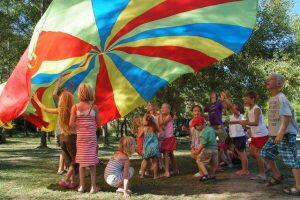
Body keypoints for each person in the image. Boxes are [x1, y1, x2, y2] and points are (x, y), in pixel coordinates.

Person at [260, 73, 300, 196]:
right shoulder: (272, 99)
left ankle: (299, 187)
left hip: (285, 135)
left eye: (271, 79)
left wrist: (281, 133)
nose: (268, 80)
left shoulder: (281, 98)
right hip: (274, 135)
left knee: (291, 160)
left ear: (279, 84)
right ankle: (277, 175)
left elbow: (287, 116)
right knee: (265, 153)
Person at [33, 91, 78, 189]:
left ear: (61, 100)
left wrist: (36, 100)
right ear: (71, 100)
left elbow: (45, 108)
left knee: (69, 160)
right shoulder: (73, 110)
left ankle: (72, 182)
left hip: (61, 137)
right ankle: (65, 179)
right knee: (75, 160)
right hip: (71, 137)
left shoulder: (59, 110)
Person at [69, 83, 100, 193]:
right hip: (91, 137)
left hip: (81, 138)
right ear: (90, 93)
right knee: (92, 163)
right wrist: (90, 125)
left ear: (80, 93)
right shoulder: (94, 107)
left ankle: (82, 186)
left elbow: (71, 123)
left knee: (81, 162)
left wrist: (80, 126)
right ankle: (93, 187)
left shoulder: (75, 107)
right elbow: (99, 123)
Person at [241, 91, 269, 181]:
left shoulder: (257, 109)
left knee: (257, 154)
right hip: (255, 135)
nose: (244, 100)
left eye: (246, 99)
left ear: (252, 99)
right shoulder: (248, 110)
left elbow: (256, 123)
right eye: (243, 99)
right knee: (253, 153)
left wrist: (245, 122)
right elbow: (249, 123)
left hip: (262, 134)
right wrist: (245, 125)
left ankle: (262, 174)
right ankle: (267, 166)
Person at [191, 115, 218, 181]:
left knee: (199, 161)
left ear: (200, 124)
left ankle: (205, 175)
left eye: (195, 126)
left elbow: (203, 144)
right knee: (213, 164)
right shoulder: (211, 129)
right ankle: (212, 175)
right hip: (215, 150)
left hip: (207, 149)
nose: (195, 128)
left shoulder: (203, 133)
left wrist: (197, 151)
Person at [227, 103, 249, 176]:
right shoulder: (233, 116)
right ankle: (244, 169)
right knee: (240, 154)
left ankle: (245, 170)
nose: (232, 108)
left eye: (234, 107)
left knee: (242, 154)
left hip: (239, 137)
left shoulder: (239, 115)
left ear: (238, 109)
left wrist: (226, 100)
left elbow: (231, 107)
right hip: (235, 137)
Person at [158, 103, 179, 177]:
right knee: (171, 154)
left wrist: (160, 115)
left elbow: (161, 123)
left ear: (169, 110)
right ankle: (176, 169)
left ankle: (167, 172)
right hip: (165, 138)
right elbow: (160, 125)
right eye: (161, 107)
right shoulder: (161, 116)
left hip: (169, 138)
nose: (162, 109)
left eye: (165, 108)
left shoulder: (169, 116)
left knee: (166, 154)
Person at [139, 115, 161, 179]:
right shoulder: (154, 127)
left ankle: (142, 175)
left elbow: (140, 136)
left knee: (145, 161)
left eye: (143, 120)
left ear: (146, 121)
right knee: (155, 161)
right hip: (154, 146)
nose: (142, 121)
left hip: (147, 147)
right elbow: (159, 132)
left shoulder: (144, 128)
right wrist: (157, 137)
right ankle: (155, 176)